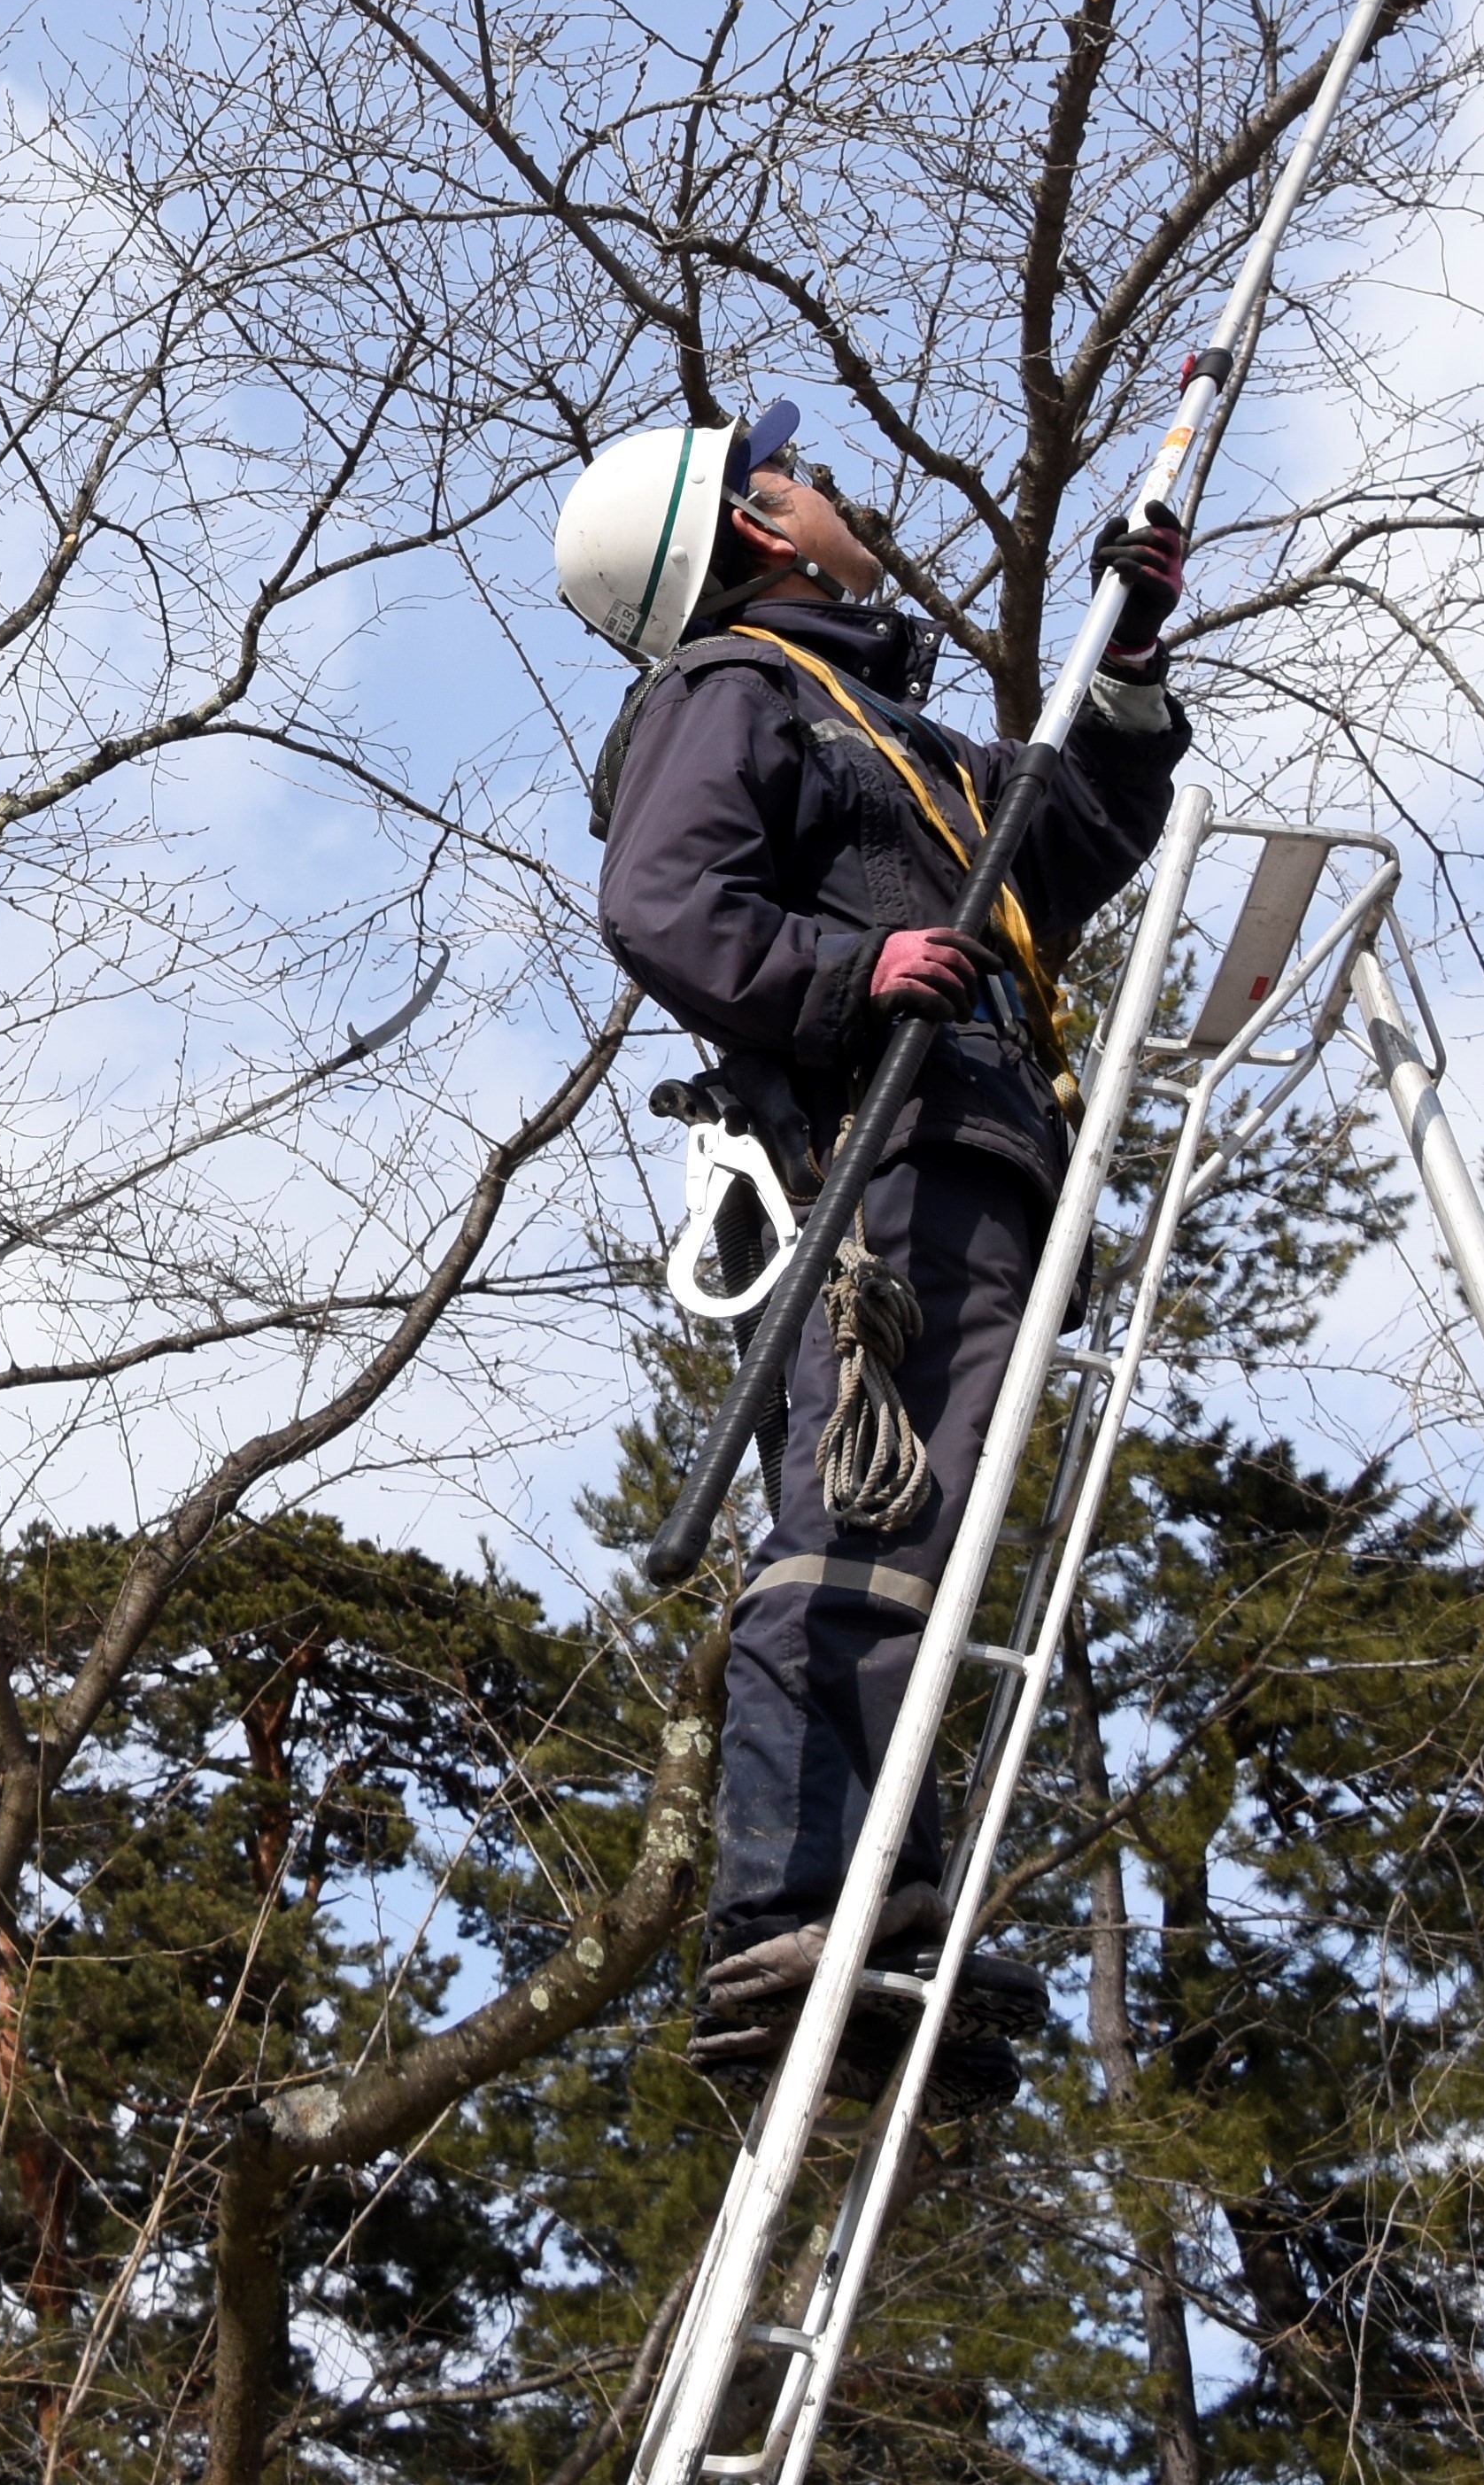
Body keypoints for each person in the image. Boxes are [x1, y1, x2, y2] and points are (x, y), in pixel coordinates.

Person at [557, 400, 1189, 2106]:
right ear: (758, 524)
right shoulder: (732, 696)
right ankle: (796, 1899)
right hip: (876, 1157)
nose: (839, 492)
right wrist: (850, 977)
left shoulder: (885, 733)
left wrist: (1126, 671)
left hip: (976, 1152)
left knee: (921, 1537)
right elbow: (664, 898)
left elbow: (1054, 857)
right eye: (809, 476)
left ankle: (883, 1908)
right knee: (864, 1511)